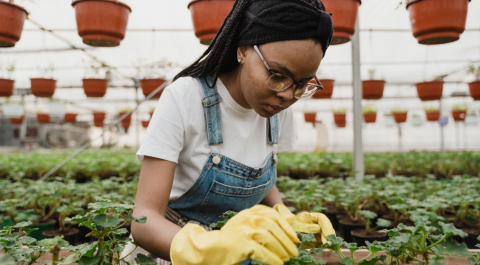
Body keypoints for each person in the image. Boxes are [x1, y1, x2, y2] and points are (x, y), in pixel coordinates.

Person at [122, 0, 335, 264]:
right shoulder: (185, 97)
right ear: (243, 50)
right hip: (169, 250)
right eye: (278, 75)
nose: (286, 95)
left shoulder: (278, 111)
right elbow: (144, 220)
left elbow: (254, 172)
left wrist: (283, 215)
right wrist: (205, 249)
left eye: (301, 85)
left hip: (238, 254)